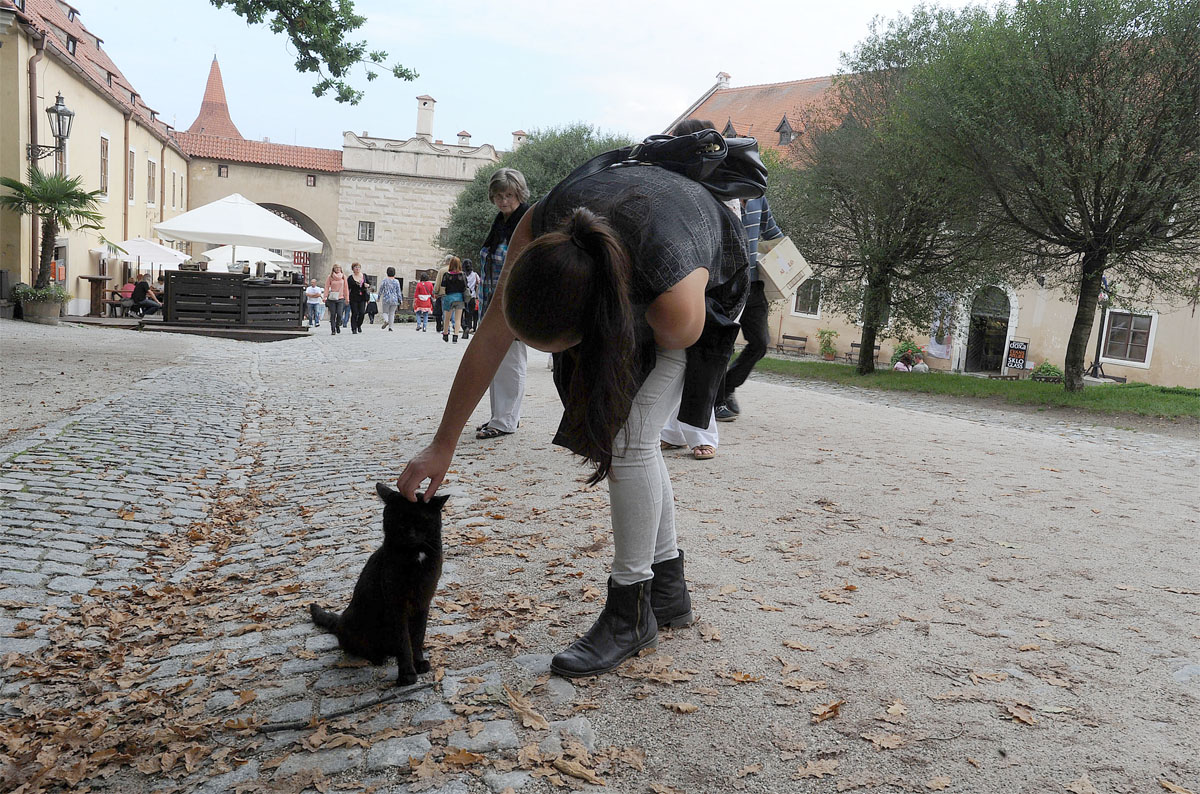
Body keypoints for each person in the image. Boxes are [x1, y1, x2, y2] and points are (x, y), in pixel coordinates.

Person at [396, 162, 750, 679]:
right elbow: (492, 335)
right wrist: (442, 444)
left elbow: (678, 340)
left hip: (702, 290)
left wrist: (620, 348)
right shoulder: (540, 223)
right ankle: (669, 590)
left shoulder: (672, 297)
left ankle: (632, 614)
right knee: (637, 441)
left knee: (631, 441)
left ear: (594, 325)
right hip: (631, 262)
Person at [714, 173, 785, 422]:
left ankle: (726, 387)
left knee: (760, 343)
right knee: (723, 343)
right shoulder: (720, 196)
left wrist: (789, 258)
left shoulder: (758, 198)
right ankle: (717, 400)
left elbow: (771, 231)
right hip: (725, 283)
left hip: (754, 284)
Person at [475, 168, 531, 440]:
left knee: (510, 363)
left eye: (508, 195)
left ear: (519, 193)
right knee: (496, 362)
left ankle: (506, 420)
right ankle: (500, 417)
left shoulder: (526, 222)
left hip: (513, 306)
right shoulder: (501, 222)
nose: (503, 200)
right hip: (492, 305)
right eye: (498, 195)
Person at [436, 257, 468, 343]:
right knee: (458, 319)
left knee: (447, 318)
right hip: (459, 298)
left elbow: (443, 286)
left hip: (448, 297)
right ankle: (455, 336)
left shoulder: (447, 275)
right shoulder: (463, 275)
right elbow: (465, 286)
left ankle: (445, 334)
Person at [347, 263, 371, 334]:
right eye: (355, 267)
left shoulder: (364, 276)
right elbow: (347, 288)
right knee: (355, 313)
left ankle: (359, 325)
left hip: (362, 297)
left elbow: (369, 284)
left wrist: (367, 285)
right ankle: (353, 328)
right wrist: (347, 297)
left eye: (358, 267)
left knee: (362, 313)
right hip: (353, 297)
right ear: (353, 269)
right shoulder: (350, 278)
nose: (357, 269)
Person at [324, 264, 348, 335]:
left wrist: (347, 298)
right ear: (333, 269)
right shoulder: (330, 277)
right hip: (332, 298)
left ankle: (338, 325)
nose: (337, 269)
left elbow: (346, 288)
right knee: (333, 314)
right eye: (336, 268)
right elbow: (327, 287)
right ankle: (333, 329)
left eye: (339, 268)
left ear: (341, 269)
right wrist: (325, 296)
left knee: (340, 314)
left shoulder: (343, 277)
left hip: (340, 298)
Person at [462, 259, 480, 336]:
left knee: (464, 314)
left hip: (463, 297)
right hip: (472, 297)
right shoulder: (475, 275)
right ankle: (472, 327)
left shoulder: (462, 274)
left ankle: (466, 327)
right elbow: (479, 284)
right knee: (472, 314)